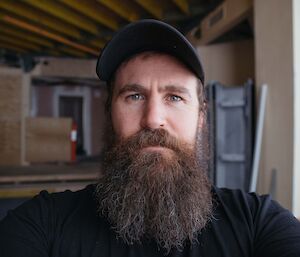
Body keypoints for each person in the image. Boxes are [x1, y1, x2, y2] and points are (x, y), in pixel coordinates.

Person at [0, 19, 300, 257]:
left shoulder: (259, 224)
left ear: (201, 118)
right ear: (109, 114)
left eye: (175, 97)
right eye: (134, 95)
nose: (153, 118)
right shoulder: (42, 225)